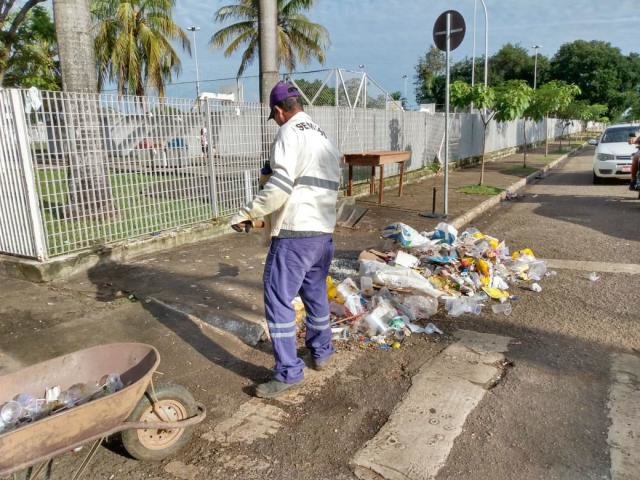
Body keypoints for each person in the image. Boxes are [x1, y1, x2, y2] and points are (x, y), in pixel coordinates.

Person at [229, 81, 341, 398]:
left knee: (278, 300)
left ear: (279, 111)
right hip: (322, 234)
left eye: (275, 116)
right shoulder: (324, 139)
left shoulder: (288, 134)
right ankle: (322, 352)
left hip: (294, 236)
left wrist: (245, 213)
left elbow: (279, 188)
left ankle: (289, 373)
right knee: (316, 295)